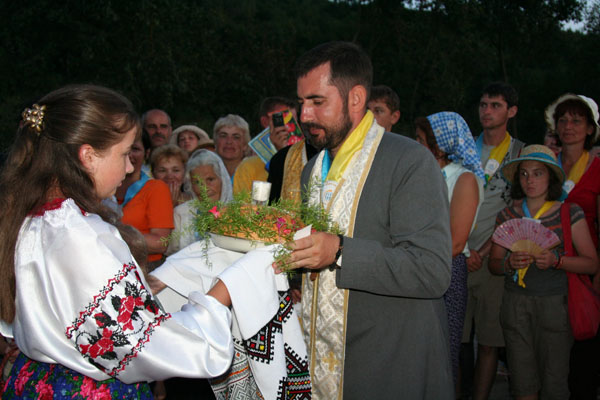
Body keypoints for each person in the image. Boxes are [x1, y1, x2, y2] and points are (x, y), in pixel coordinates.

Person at [0, 85, 239, 398]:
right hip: (86, 390)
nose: (129, 168)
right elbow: (147, 347)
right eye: (125, 154)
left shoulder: (26, 214)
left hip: (32, 381)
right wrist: (223, 291)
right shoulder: (83, 234)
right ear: (88, 156)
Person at [279, 41, 453, 399]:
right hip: (323, 356)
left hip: (389, 360)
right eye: (301, 102)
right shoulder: (312, 168)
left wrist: (340, 251)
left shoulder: (409, 161)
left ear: (356, 98)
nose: (304, 115)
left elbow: (432, 271)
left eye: (317, 101)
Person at [488, 144, 599, 399]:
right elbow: (493, 264)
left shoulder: (569, 213)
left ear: (551, 177)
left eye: (538, 173)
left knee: (554, 382)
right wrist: (508, 264)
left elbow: (592, 263)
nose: (530, 180)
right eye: (524, 174)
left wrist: (557, 261)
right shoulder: (506, 215)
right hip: (515, 305)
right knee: (522, 384)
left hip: (555, 306)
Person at [461, 81, 525, 400]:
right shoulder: (464, 149)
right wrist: (462, 249)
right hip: (458, 255)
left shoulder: (521, 154)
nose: (487, 111)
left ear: (511, 111)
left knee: (488, 342)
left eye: (496, 105)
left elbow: (518, 211)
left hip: (493, 260)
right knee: (457, 339)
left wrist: (484, 252)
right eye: (483, 104)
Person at [415, 111, 484, 384]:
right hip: (417, 265)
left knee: (442, 353)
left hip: (445, 270)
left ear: (441, 146)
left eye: (421, 141)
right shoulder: (420, 173)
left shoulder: (463, 179)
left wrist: (412, 263)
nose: (416, 145)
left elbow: (455, 242)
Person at [545, 93, 600, 400]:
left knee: (582, 352)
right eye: (563, 120)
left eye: (577, 121)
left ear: (590, 129)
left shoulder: (597, 167)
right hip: (545, 265)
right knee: (549, 353)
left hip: (584, 269)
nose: (568, 126)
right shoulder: (545, 164)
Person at [116, 135, 174, 270]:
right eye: (125, 149)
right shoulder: (103, 187)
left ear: (147, 153)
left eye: (135, 149)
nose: (129, 155)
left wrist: (111, 233)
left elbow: (160, 243)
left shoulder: (156, 188)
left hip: (143, 267)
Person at [167, 149, 233, 255]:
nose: (204, 188)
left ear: (222, 180)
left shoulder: (238, 213)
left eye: (210, 179)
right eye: (197, 182)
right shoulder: (180, 214)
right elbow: (171, 255)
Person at [233, 97, 298, 195]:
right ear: (265, 122)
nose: (289, 127)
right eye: (283, 120)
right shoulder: (248, 167)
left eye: (294, 121)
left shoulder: (306, 159)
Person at [213, 114, 250, 182]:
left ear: (245, 145)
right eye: (223, 136)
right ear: (216, 142)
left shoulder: (254, 171)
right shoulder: (207, 171)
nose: (229, 141)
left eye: (236, 137)